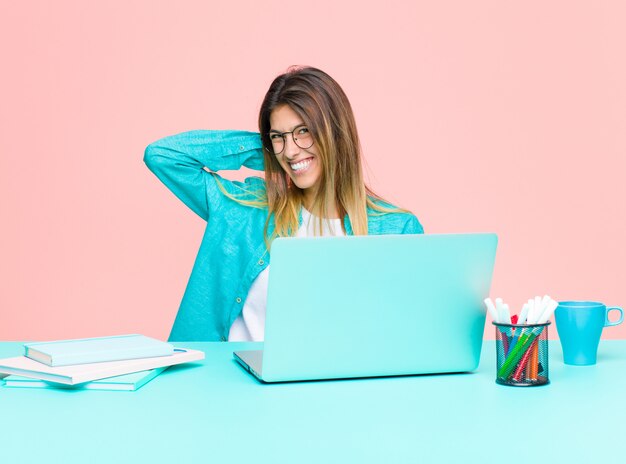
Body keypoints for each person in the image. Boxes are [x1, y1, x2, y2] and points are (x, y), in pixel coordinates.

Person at [144, 66, 424, 342]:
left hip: (329, 386)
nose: (289, 151)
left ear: (336, 133)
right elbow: (162, 156)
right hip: (228, 383)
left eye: (303, 131)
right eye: (278, 136)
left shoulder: (396, 229)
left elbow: (412, 332)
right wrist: (267, 151)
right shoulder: (245, 209)